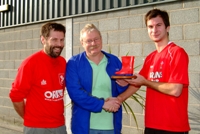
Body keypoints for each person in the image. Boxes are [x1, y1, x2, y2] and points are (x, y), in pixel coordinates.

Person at [116, 9, 190, 134]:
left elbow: (176, 90)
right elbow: (137, 83)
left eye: (158, 25)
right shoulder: (151, 57)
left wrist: (145, 82)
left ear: (167, 28)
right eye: (150, 26)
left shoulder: (177, 52)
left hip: (173, 126)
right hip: (152, 125)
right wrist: (119, 98)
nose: (154, 30)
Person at [65, 23, 128, 134]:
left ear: (101, 40)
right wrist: (102, 104)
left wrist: (123, 85)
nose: (93, 43)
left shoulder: (114, 61)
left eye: (96, 39)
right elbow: (76, 93)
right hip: (84, 127)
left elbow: (120, 91)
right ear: (82, 43)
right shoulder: (74, 63)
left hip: (111, 127)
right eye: (89, 41)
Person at [9, 22, 67, 134]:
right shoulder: (30, 63)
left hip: (59, 125)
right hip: (36, 127)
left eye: (61, 40)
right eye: (54, 40)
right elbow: (16, 96)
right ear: (43, 39)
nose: (59, 44)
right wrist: (29, 117)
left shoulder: (62, 62)